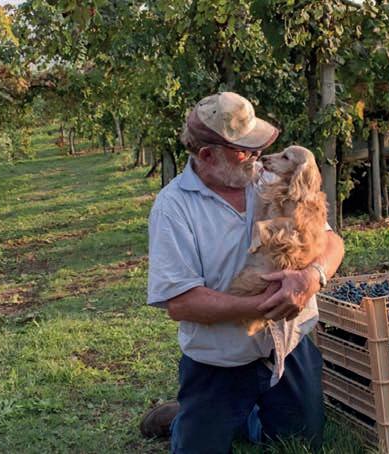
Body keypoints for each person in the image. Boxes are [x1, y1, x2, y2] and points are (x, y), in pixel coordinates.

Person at [141, 92, 345, 453]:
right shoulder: (173, 208)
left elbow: (332, 242)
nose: (257, 155)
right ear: (208, 155)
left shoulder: (271, 178)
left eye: (257, 146)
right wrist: (265, 305)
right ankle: (191, 416)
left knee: (301, 442)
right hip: (220, 360)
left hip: (287, 346)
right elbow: (181, 303)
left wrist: (311, 278)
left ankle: (245, 415)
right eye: (243, 149)